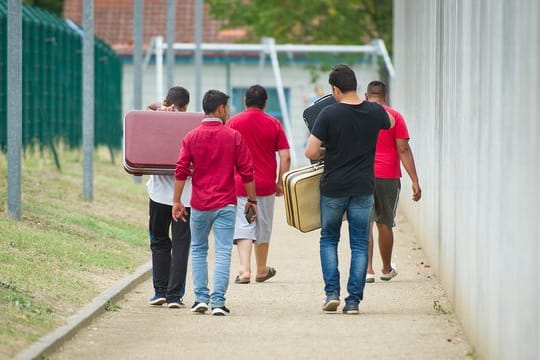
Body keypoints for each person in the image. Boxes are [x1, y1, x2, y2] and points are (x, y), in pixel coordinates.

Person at [304, 64, 394, 315]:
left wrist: (329, 151)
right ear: (355, 85)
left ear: (335, 88)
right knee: (359, 243)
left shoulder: (329, 114)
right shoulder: (374, 111)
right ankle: (353, 301)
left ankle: (332, 293)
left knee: (329, 239)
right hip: (363, 186)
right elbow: (390, 121)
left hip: (333, 186)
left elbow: (310, 152)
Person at [172, 90, 258, 316]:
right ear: (220, 108)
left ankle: (200, 298)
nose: (228, 111)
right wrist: (251, 199)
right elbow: (247, 172)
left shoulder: (191, 136)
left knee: (199, 250)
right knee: (222, 252)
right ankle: (218, 302)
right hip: (226, 205)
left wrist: (176, 201)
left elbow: (181, 170)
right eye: (227, 108)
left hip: (199, 204)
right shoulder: (233, 136)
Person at [226, 85, 291, 284]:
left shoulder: (233, 122)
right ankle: (261, 269)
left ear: (245, 101)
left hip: (239, 185)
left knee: (244, 224)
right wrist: (281, 182)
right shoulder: (273, 123)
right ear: (265, 103)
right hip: (265, 186)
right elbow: (285, 156)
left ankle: (244, 270)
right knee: (263, 226)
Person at [364, 81, 422, 283]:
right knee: (384, 223)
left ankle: (368, 270)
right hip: (388, 175)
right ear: (385, 97)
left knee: (365, 223)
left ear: (366, 96)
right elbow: (403, 149)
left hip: (362, 175)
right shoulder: (394, 117)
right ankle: (386, 268)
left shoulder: (359, 114)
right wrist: (415, 180)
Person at [146, 86, 192, 309]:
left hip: (158, 195)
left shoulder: (155, 119)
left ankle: (160, 291)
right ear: (187, 106)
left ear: (167, 102)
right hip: (186, 197)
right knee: (181, 244)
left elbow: (148, 108)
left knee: (159, 241)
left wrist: (161, 108)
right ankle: (175, 296)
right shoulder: (192, 125)